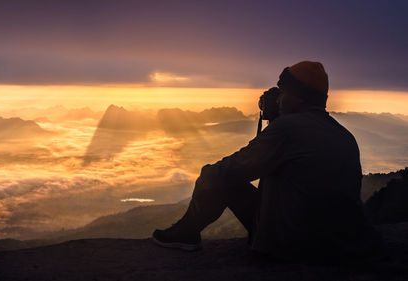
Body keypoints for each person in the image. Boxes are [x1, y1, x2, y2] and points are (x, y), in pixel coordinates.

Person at [152, 61, 382, 262]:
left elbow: (235, 169)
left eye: (282, 92)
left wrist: (276, 123)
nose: (277, 98)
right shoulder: (343, 134)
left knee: (213, 174)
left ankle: (186, 235)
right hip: (341, 243)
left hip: (292, 245)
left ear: (298, 97)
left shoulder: (287, 129)